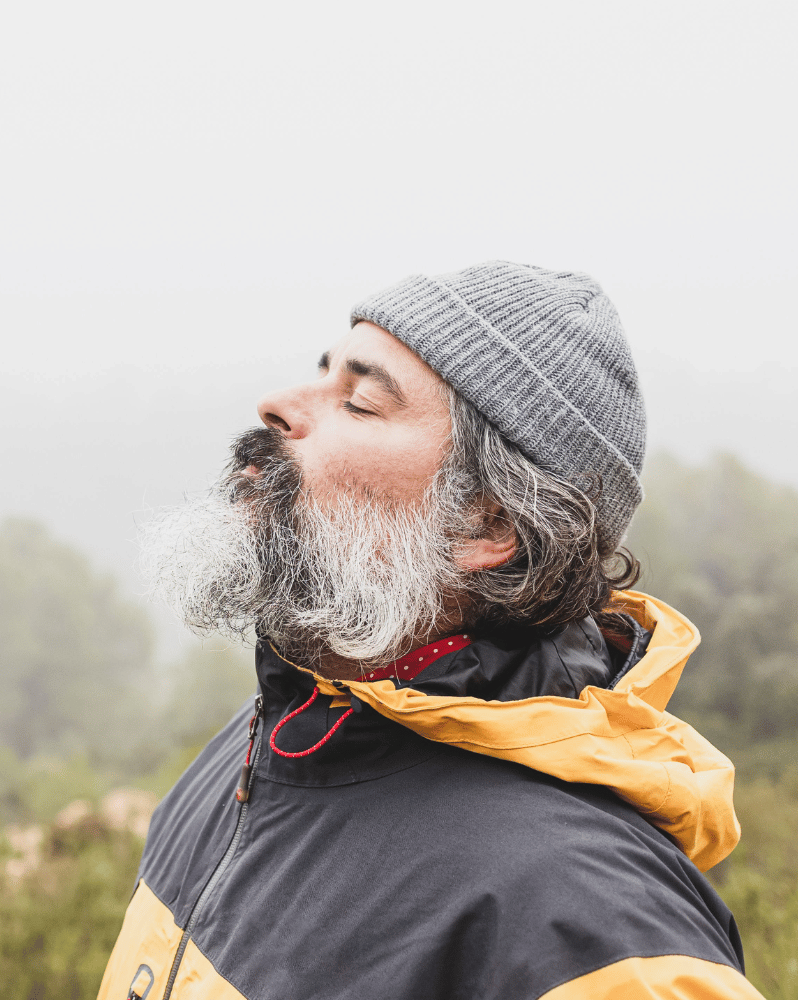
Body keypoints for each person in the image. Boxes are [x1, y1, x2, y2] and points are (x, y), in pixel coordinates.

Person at [98, 262, 763, 999]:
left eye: (358, 402)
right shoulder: (275, 735)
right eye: (320, 373)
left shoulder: (595, 931)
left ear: (485, 523)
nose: (277, 404)